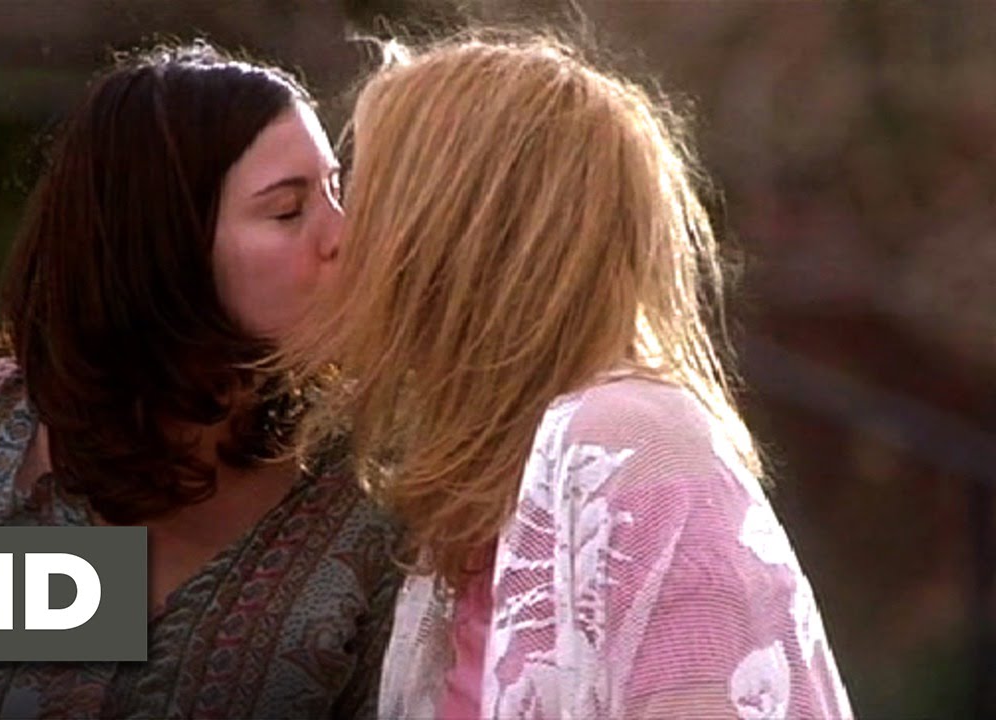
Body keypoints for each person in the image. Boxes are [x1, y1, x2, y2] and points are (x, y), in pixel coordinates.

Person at [0, 44, 400, 719]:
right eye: (288, 210)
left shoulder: (374, 504)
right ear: (161, 248)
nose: (344, 235)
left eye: (336, 191)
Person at [281, 36, 855, 719]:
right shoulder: (481, 483)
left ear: (458, 230)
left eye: (363, 195)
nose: (340, 235)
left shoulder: (629, 441)